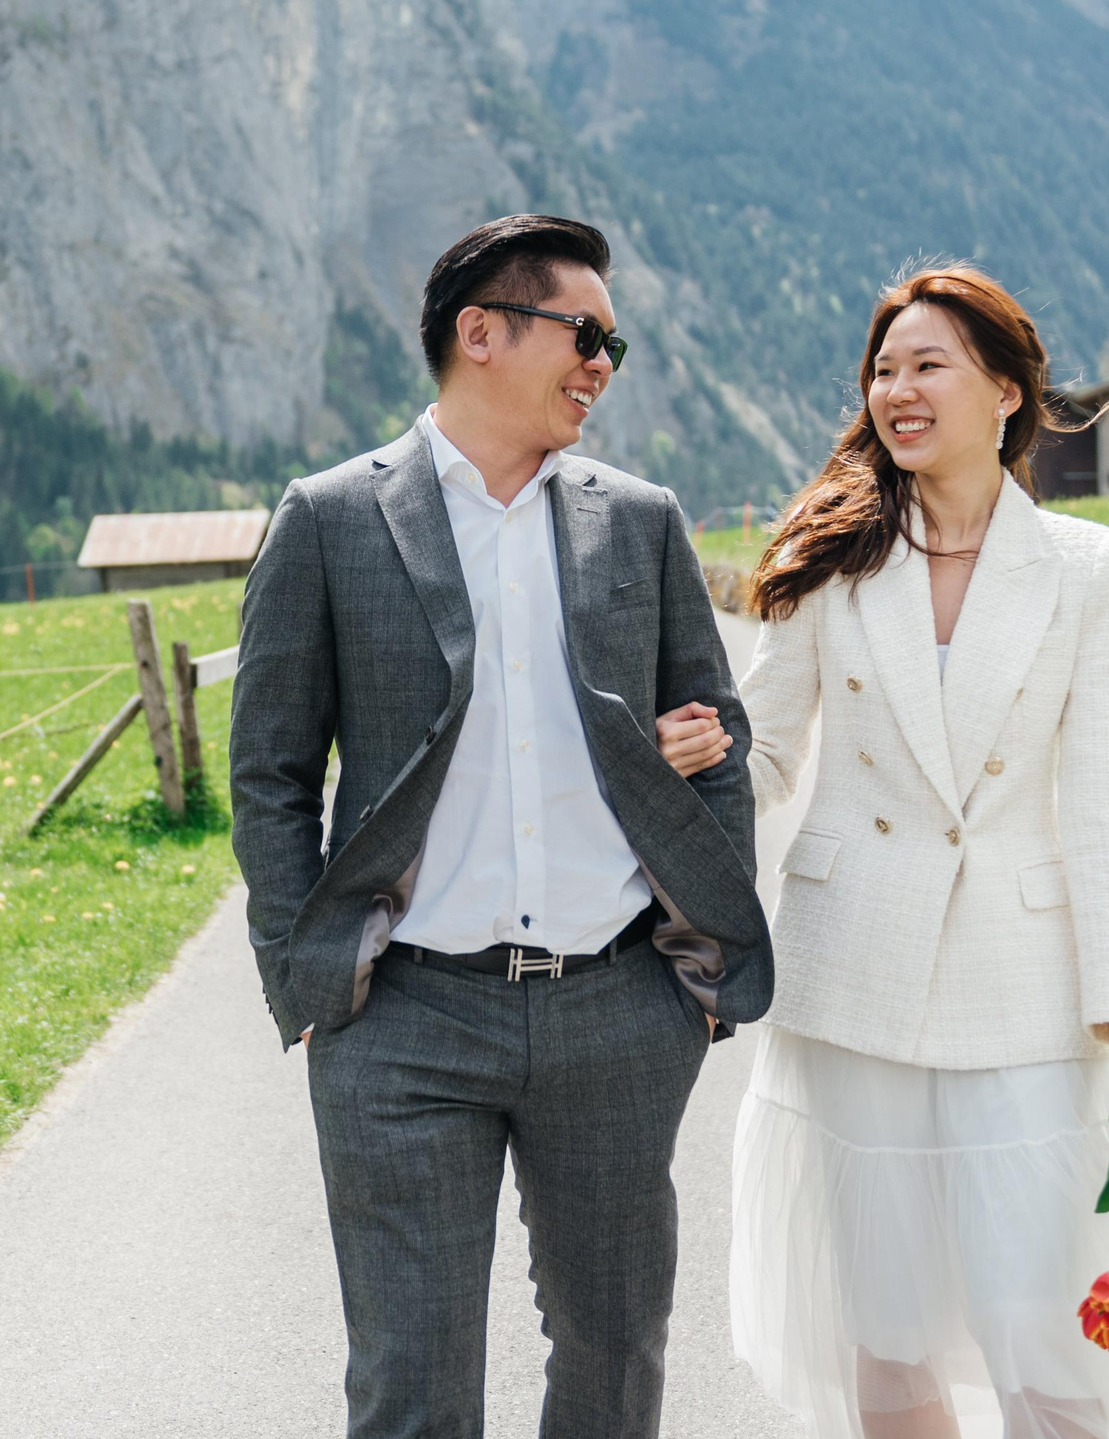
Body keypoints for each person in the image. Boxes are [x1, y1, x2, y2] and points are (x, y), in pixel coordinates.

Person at [681, 264, 1109, 1437]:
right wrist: (692, 750)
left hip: (1019, 995)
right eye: (882, 368)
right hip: (849, 982)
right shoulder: (828, 555)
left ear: (1007, 393)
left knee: (1042, 1327)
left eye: (928, 366)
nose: (896, 390)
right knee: (890, 1321)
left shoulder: (1085, 568)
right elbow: (762, 762)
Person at [230, 214, 773, 1439]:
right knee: (412, 1385)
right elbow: (268, 773)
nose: (603, 364)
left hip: (621, 1011)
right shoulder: (327, 518)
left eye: (612, 343)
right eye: (586, 334)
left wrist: (692, 974)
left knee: (614, 1351)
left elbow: (717, 740)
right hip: (403, 1021)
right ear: (481, 333)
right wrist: (304, 972)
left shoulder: (639, 517)